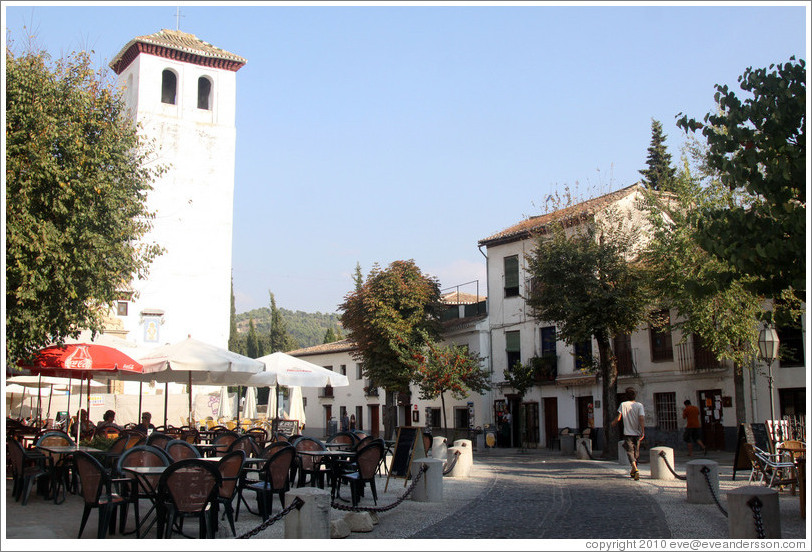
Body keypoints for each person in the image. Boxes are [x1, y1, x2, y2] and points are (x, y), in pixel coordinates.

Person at [612, 387, 645, 480]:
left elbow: (618, 418)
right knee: (636, 452)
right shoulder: (639, 405)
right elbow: (641, 418)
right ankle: (634, 470)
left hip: (627, 432)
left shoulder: (623, 404)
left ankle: (634, 469)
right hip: (637, 433)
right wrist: (643, 431)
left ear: (626, 396)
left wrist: (613, 423)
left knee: (630, 451)